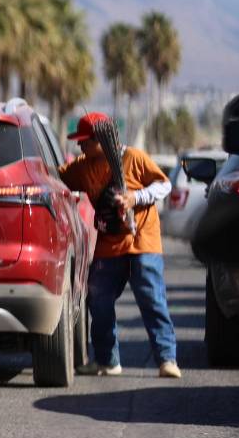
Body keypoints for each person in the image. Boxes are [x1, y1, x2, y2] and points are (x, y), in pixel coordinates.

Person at [59, 112, 181, 378]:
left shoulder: (135, 158)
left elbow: (164, 184)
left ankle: (167, 359)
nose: (81, 147)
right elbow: (57, 177)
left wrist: (135, 198)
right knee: (98, 299)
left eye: (85, 142)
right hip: (108, 244)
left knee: (151, 299)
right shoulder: (82, 167)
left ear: (102, 139)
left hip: (142, 241)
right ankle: (107, 361)